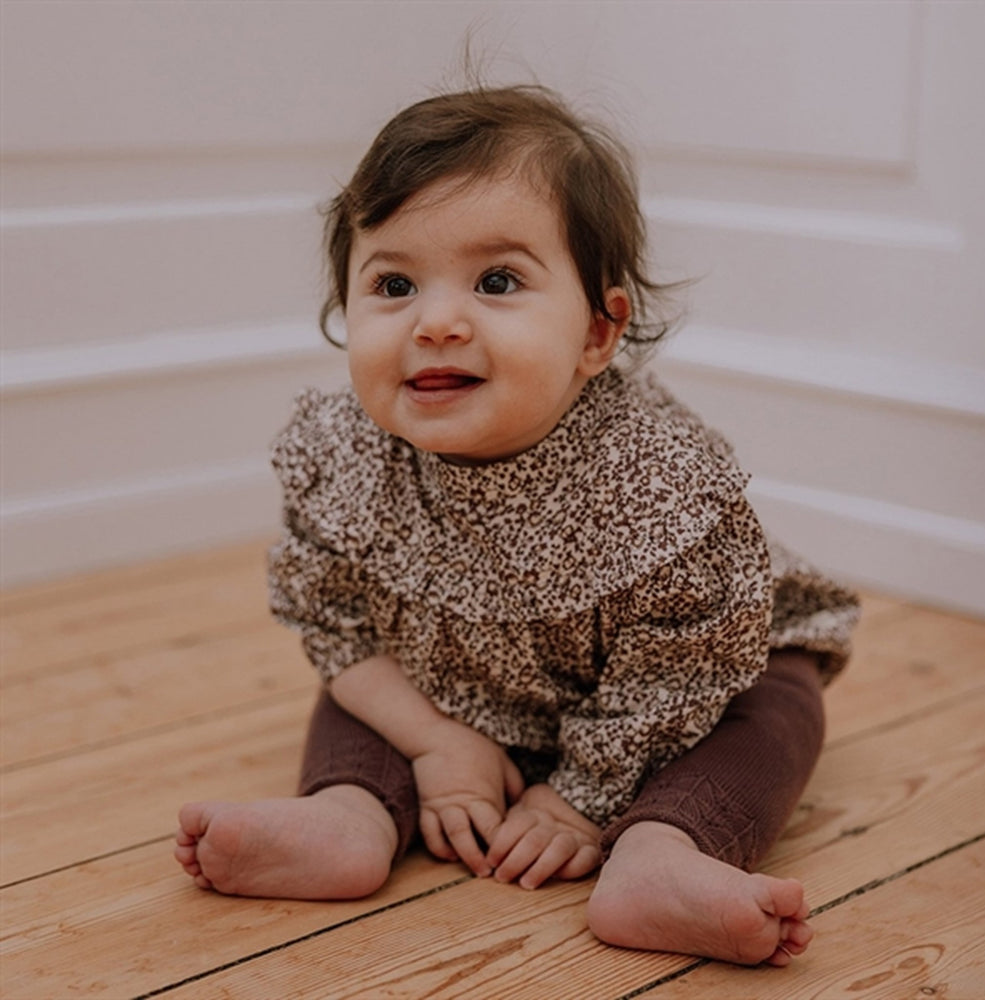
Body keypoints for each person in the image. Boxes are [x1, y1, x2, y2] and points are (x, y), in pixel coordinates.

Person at [175, 84, 859, 967]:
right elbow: (338, 629)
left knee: (774, 704)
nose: (436, 322)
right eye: (393, 285)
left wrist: (581, 796)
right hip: (463, 678)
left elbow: (680, 669)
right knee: (359, 691)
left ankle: (663, 850)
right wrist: (434, 739)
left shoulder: (654, 481)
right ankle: (348, 812)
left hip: (670, 691)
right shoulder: (347, 458)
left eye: (497, 282)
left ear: (597, 334)